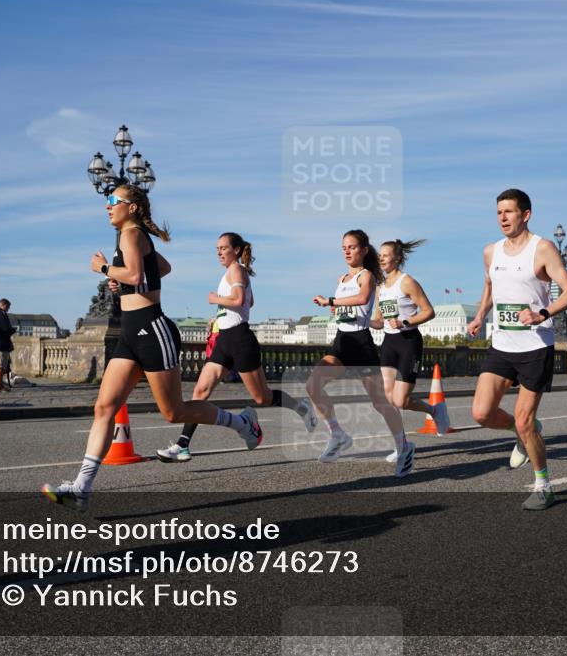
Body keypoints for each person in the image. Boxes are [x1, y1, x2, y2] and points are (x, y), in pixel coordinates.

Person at [42, 184, 260, 510]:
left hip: (152, 329)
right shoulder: (132, 236)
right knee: (104, 407)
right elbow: (159, 269)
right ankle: (81, 488)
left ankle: (244, 424)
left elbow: (134, 273)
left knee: (174, 412)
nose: (107, 205)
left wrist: (106, 269)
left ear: (131, 207)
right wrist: (124, 279)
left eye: (113, 200)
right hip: (131, 334)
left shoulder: (131, 234)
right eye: (107, 200)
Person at [157, 232, 317, 462]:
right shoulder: (230, 273)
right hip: (224, 340)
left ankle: (301, 407)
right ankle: (182, 445)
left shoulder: (237, 270)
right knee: (200, 392)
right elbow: (249, 301)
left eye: (224, 248)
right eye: (217, 249)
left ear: (237, 250)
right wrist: (220, 316)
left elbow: (240, 300)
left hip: (241, 340)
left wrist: (215, 300)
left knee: (262, 397)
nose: (219, 253)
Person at [466, 188, 567, 511]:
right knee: (481, 413)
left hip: (535, 347)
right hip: (502, 345)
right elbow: (490, 286)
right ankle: (521, 432)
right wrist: (480, 315)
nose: (502, 218)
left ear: (525, 214)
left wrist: (543, 313)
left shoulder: (542, 249)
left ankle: (544, 485)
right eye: (498, 212)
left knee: (524, 419)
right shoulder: (491, 252)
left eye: (509, 212)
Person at [306, 229, 416, 478]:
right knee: (313, 385)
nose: (347, 251)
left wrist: (331, 302)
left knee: (380, 403)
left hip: (361, 344)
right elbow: (346, 308)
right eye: (344, 247)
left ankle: (403, 445)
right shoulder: (342, 278)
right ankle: (338, 434)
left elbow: (363, 298)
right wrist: (335, 310)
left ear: (364, 250)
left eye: (352, 247)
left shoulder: (366, 276)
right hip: (341, 343)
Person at [370, 238, 449, 464]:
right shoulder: (380, 287)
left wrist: (405, 322)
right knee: (388, 399)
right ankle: (401, 445)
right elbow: (379, 321)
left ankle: (434, 411)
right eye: (379, 256)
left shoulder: (407, 282)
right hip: (389, 343)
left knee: (400, 399)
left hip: (409, 342)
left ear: (397, 258)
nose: (381, 259)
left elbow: (429, 311)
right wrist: (363, 321)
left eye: (385, 255)